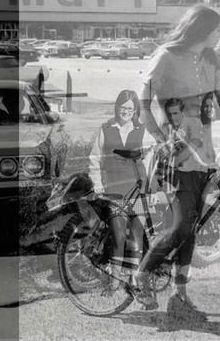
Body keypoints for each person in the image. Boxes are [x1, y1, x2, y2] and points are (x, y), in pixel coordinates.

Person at [135, 4, 220, 321]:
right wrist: (159, 138)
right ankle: (140, 276)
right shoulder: (166, 56)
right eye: (218, 30)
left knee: (191, 226)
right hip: (175, 153)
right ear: (203, 30)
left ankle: (179, 295)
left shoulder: (211, 59)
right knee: (182, 224)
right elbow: (143, 103)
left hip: (205, 153)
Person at [88, 89, 148, 291]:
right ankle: (114, 281)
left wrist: (150, 187)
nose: (126, 112)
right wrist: (97, 183)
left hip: (137, 189)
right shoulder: (106, 128)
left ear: (135, 110)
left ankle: (133, 280)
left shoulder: (142, 130)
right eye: (123, 107)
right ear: (117, 107)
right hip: (115, 189)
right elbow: (94, 159)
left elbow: (150, 159)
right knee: (119, 234)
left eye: (130, 108)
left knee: (137, 234)